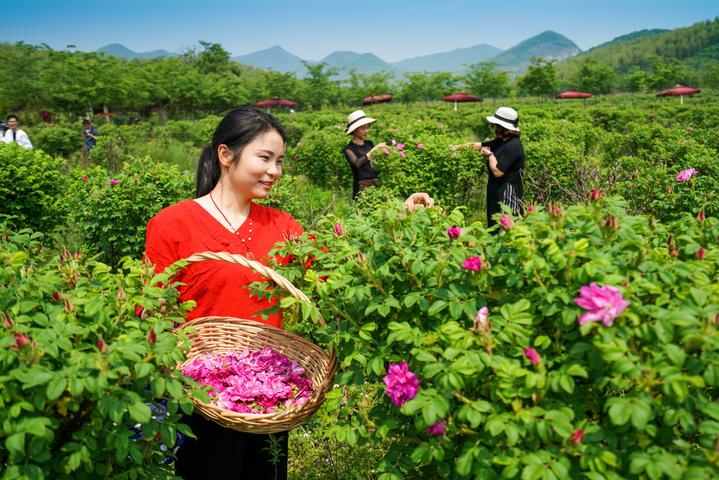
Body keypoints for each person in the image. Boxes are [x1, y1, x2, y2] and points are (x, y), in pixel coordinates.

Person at [144, 106, 433, 479]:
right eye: (264, 158)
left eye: (279, 161)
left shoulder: (281, 225)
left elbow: (337, 268)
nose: (275, 171)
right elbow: (150, 312)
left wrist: (397, 219)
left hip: (270, 393)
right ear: (226, 155)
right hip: (200, 398)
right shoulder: (172, 225)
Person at [452, 107, 524, 229]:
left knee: (506, 226)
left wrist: (490, 155)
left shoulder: (513, 146)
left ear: (502, 128)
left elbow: (498, 171)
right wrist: (457, 147)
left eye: (494, 126)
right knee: (494, 224)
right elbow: (479, 145)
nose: (493, 128)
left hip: (507, 193)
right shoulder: (501, 142)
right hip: (496, 190)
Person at [343, 109, 386, 199]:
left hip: (376, 182)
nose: (366, 131)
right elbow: (357, 164)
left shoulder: (369, 143)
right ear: (354, 130)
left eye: (367, 127)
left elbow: (374, 162)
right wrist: (374, 150)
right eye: (363, 128)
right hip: (361, 186)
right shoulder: (349, 149)